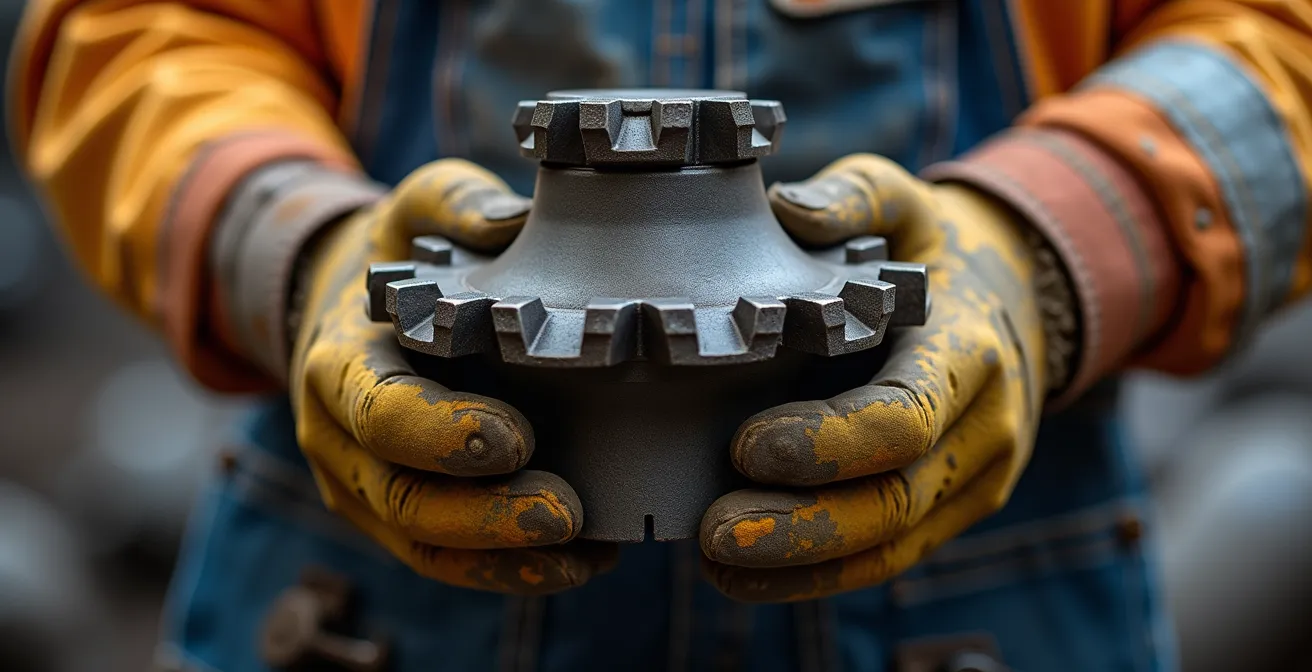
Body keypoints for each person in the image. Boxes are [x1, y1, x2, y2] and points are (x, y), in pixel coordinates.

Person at [10, 1, 1311, 670]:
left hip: (975, 607)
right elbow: (138, 31)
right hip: (373, 608)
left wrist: (1053, 247)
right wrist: (291, 245)